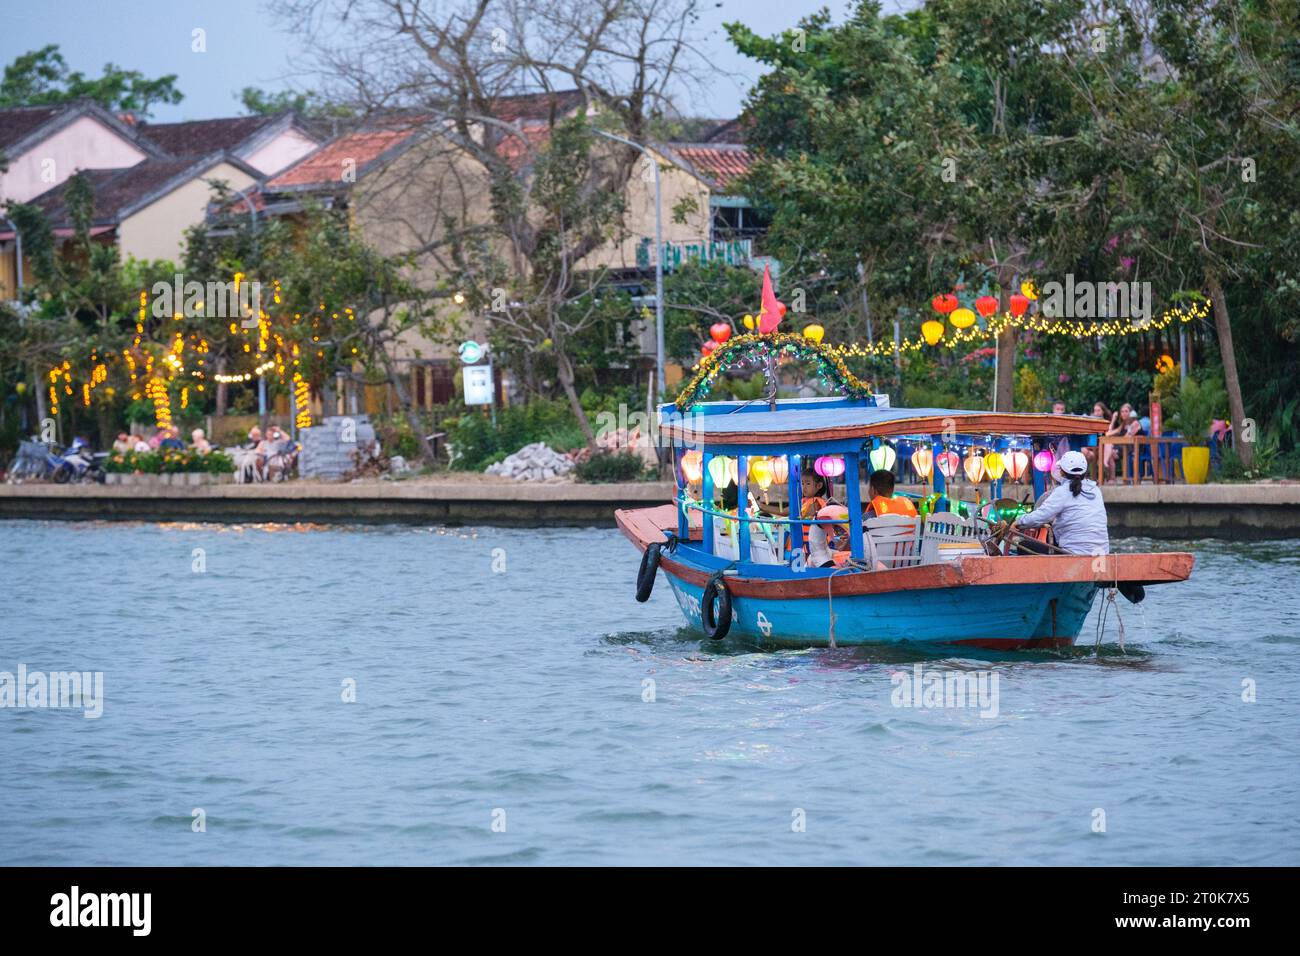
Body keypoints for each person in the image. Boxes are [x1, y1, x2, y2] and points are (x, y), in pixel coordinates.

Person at [1011, 450, 1109, 555]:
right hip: (1102, 552)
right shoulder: (1095, 490)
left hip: (1073, 553)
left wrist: (1018, 522)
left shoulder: (1062, 491)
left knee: (1023, 546)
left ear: (1062, 472)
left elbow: (1041, 515)